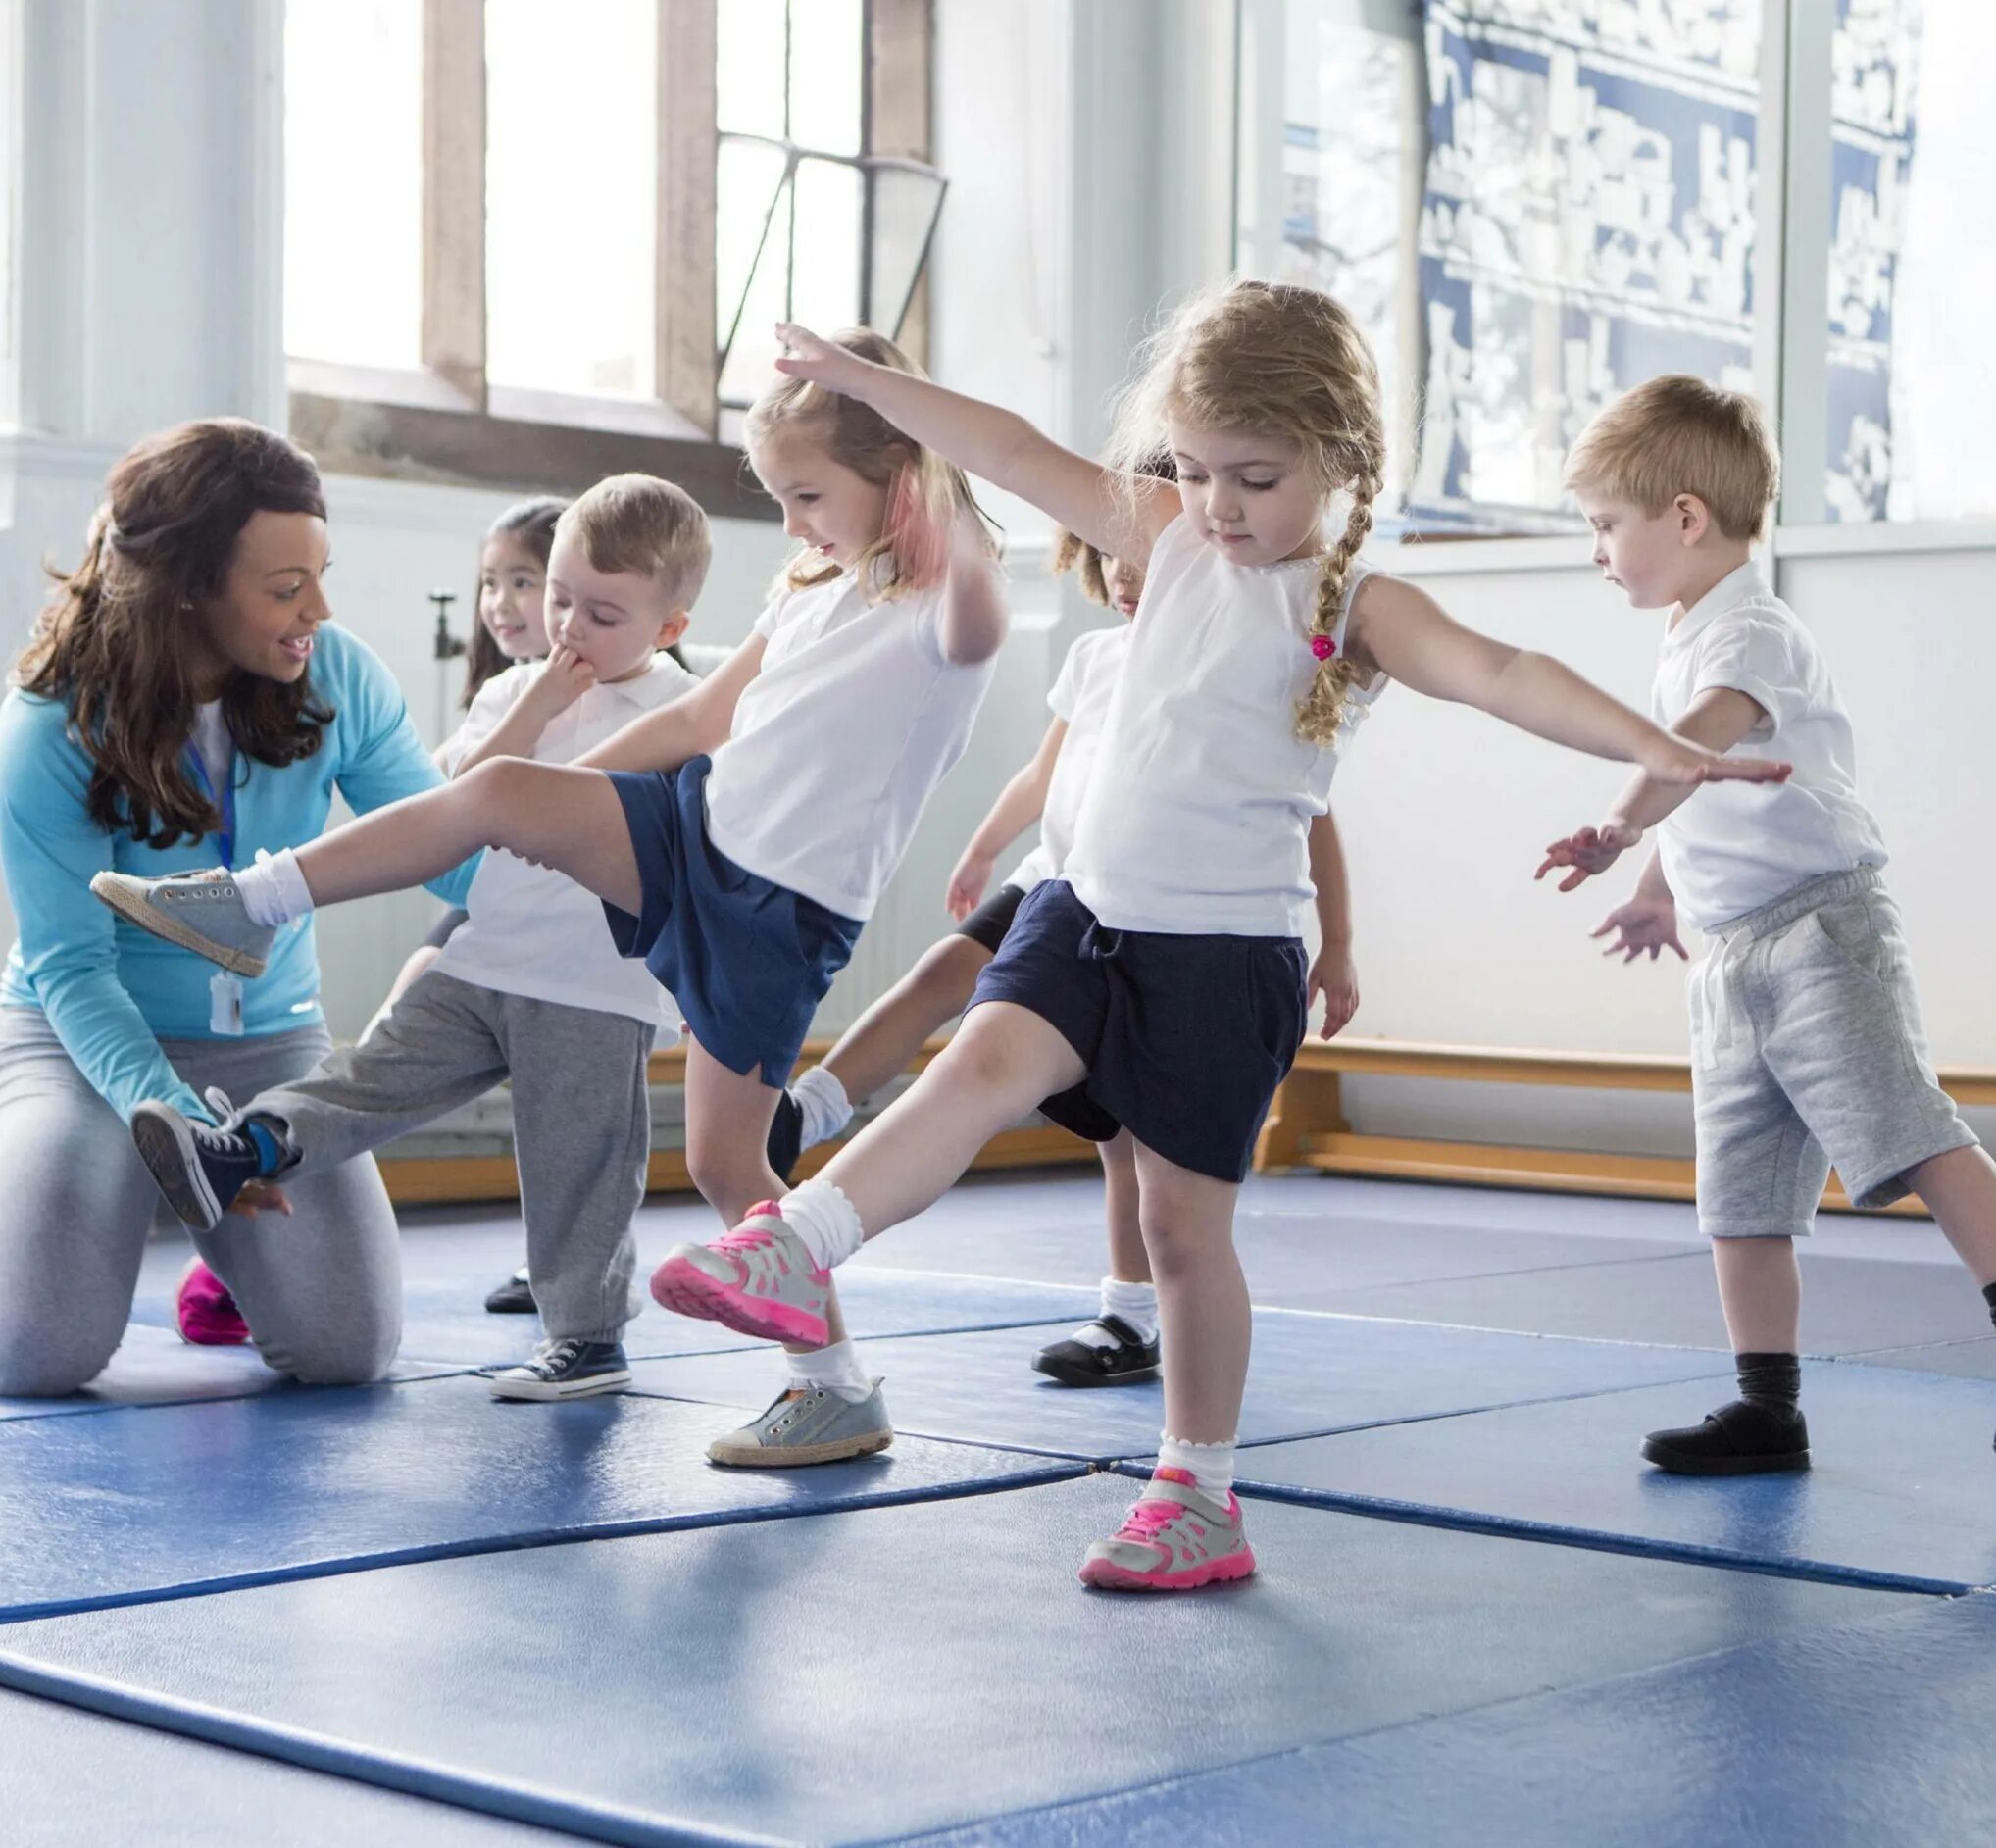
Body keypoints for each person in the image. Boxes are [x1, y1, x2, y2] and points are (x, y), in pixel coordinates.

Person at [643, 283, 1786, 1590]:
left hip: (1224, 957)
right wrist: (873, 385)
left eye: (1255, 476)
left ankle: (1199, 1492)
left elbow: (1506, 674)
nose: (1220, 504)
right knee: (972, 1070)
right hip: (1086, 913)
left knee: (1186, 1236)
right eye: (1194, 470)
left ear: (1340, 462)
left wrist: (1659, 750)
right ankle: (799, 1244)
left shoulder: (1354, 606)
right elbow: (1009, 448)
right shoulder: (1169, 535)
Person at [91, 327, 1008, 1470]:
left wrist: (906, 416)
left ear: (906, 475)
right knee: (501, 792)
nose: (792, 524)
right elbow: (692, 723)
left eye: (807, 494)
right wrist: (552, 801)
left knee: (729, 1165)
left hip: (778, 906)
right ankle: (246, 903)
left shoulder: (949, 611)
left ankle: (834, 1388)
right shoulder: (810, 581)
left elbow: (967, 579)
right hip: (691, 834)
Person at [1535, 375, 1996, 1477]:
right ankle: (1767, 1405)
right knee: (1740, 1198)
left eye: (1606, 525)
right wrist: (1656, 885)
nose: (1596, 550)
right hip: (1731, 951)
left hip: (1820, 935)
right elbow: (1706, 784)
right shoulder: (1691, 631)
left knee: (1910, 1129)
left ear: (1685, 517)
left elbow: (1692, 748)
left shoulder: (1754, 631)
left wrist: (1614, 822)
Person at [128, 477, 705, 1402]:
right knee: (371, 1072)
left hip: (595, 980)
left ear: (668, 627)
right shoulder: (514, 691)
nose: (567, 628)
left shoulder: (684, 711)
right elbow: (455, 804)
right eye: (559, 600)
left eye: (601, 614)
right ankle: (239, 1150)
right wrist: (538, 700)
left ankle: (588, 1337)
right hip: (485, 956)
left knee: (576, 1160)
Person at [767, 534, 1361, 1388]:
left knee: (1127, 1139)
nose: (1123, 572)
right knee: (942, 974)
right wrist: (981, 850)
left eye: (1143, 553)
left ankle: (1128, 1314)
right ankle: (810, 1110)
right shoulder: (1093, 657)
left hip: (1160, 919)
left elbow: (1316, 816)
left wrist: (1337, 943)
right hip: (1056, 886)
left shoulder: (1235, 670)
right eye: (1109, 550)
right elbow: (1043, 775)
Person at [0, 418, 471, 1396]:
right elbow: (71, 965)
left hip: (270, 1042)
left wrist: (594, 896)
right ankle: (3, 1257)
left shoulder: (337, 673)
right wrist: (190, 1133)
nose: (318, 606)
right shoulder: (51, 719)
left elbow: (444, 847)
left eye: (320, 573)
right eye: (286, 587)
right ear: (187, 584)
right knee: (36, 1356)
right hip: (81, 1041)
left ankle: (225, 1257)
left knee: (347, 1350)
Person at [178, 493, 571, 1342]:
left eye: (526, 583)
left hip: (572, 924)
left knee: (568, 1083)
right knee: (401, 1022)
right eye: (490, 583)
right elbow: (448, 804)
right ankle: (241, 1228)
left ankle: (563, 1261)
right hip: (492, 902)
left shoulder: (637, 693)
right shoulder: (502, 693)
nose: (502, 603)